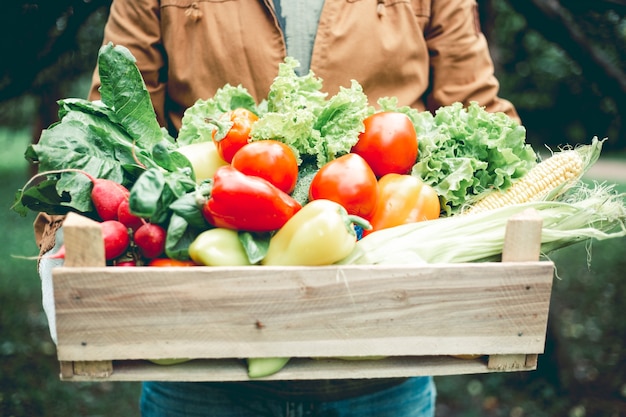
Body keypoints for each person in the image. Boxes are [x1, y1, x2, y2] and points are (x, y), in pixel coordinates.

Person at [35, 0, 520, 416]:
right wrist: (70, 239)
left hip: (381, 361)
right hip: (201, 364)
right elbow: (114, 116)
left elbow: (477, 108)